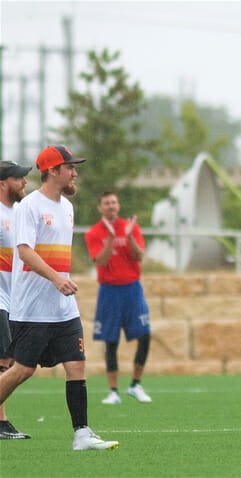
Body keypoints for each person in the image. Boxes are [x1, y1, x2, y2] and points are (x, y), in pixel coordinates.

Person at [0, 146, 118, 450]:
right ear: (53, 171)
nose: (75, 172)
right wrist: (56, 278)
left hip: (63, 306)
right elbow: (24, 250)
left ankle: (82, 434)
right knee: (22, 370)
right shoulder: (29, 206)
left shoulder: (67, 206)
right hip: (31, 307)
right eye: (69, 167)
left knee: (76, 364)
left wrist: (61, 283)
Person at [85, 192, 152, 405]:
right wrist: (112, 238)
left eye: (113, 202)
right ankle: (113, 391)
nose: (111, 206)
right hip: (109, 291)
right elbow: (101, 261)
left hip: (132, 289)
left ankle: (136, 385)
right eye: (106, 203)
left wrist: (130, 236)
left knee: (144, 335)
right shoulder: (94, 233)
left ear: (118, 205)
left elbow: (140, 256)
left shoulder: (131, 227)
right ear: (100, 208)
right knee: (110, 340)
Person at [0, 161, 32, 440]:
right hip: (0, 298)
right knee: (5, 360)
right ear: (2, 183)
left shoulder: (20, 212)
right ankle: (1, 422)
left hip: (14, 299)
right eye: (19, 178)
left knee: (7, 361)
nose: (24, 182)